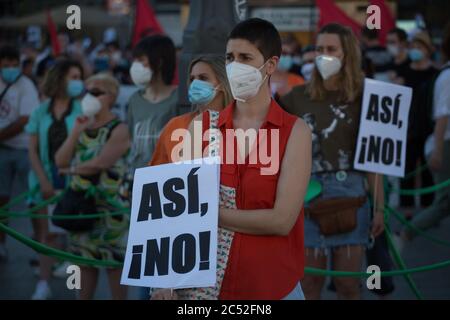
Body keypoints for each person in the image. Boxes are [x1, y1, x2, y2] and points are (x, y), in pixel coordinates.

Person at [152, 18, 312, 300]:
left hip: (272, 287)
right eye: (229, 57)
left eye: (245, 57)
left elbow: (281, 221)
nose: (234, 65)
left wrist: (205, 214)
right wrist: (165, 280)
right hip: (206, 291)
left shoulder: (294, 132)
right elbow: (177, 213)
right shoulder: (199, 127)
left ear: (271, 65)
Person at [281, 23, 385, 300]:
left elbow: (374, 158)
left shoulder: (367, 97)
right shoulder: (296, 97)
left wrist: (380, 208)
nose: (323, 55)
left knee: (348, 286)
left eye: (331, 49)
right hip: (307, 197)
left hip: (352, 197)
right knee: (308, 284)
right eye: (319, 49)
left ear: (347, 54)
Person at [55, 73, 130, 300]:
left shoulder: (120, 128)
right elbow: (60, 159)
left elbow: (101, 163)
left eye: (97, 92)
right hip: (81, 208)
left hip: (111, 209)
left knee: (114, 265)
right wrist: (76, 132)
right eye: (88, 91)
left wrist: (70, 171)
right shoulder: (81, 124)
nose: (90, 96)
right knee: (82, 264)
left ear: (111, 96)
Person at [25, 59, 84, 299]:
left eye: (80, 77)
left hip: (74, 181)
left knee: (76, 237)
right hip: (43, 182)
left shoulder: (82, 110)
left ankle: (78, 288)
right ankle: (43, 284)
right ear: (59, 79)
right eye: (73, 76)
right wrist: (43, 180)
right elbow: (32, 149)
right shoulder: (40, 110)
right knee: (46, 236)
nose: (78, 82)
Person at [399, 22, 450, 242]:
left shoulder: (436, 72)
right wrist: (438, 149)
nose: (414, 49)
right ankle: (411, 225)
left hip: (427, 131)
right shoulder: (445, 76)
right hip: (414, 130)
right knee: (444, 199)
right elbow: (442, 114)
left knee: (434, 186)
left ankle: (424, 216)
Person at [150, 55, 232, 166]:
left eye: (203, 78)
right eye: (192, 79)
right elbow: (156, 173)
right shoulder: (175, 125)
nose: (195, 84)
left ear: (223, 84)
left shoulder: (238, 124)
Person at [0, 45, 39, 261]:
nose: (11, 69)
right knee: (1, 199)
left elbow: (25, 120)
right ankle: (1, 244)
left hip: (24, 149)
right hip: (3, 150)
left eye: (15, 65)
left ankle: (40, 246)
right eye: (6, 66)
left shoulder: (27, 86)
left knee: (34, 200)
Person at [127, 35, 178, 173]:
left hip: (169, 178)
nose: (135, 66)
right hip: (139, 177)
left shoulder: (180, 99)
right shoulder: (134, 100)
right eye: (134, 60)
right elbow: (132, 141)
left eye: (141, 60)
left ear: (159, 62)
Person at [400, 31, 438, 216]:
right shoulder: (405, 71)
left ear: (428, 49)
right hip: (406, 127)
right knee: (406, 168)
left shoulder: (435, 73)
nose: (415, 50)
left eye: (419, 47)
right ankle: (406, 208)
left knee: (427, 170)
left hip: (428, 127)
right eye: (412, 46)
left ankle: (427, 208)